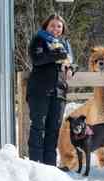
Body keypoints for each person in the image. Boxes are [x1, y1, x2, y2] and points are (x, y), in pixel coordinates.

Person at [27, 14, 75, 166]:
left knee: (53, 130)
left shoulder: (65, 43)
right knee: (38, 128)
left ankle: (50, 167)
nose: (56, 29)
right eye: (52, 26)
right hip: (40, 90)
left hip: (59, 92)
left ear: (63, 29)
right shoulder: (38, 40)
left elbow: (71, 61)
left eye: (59, 26)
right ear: (46, 26)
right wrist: (54, 56)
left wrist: (71, 69)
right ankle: (35, 166)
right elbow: (37, 59)